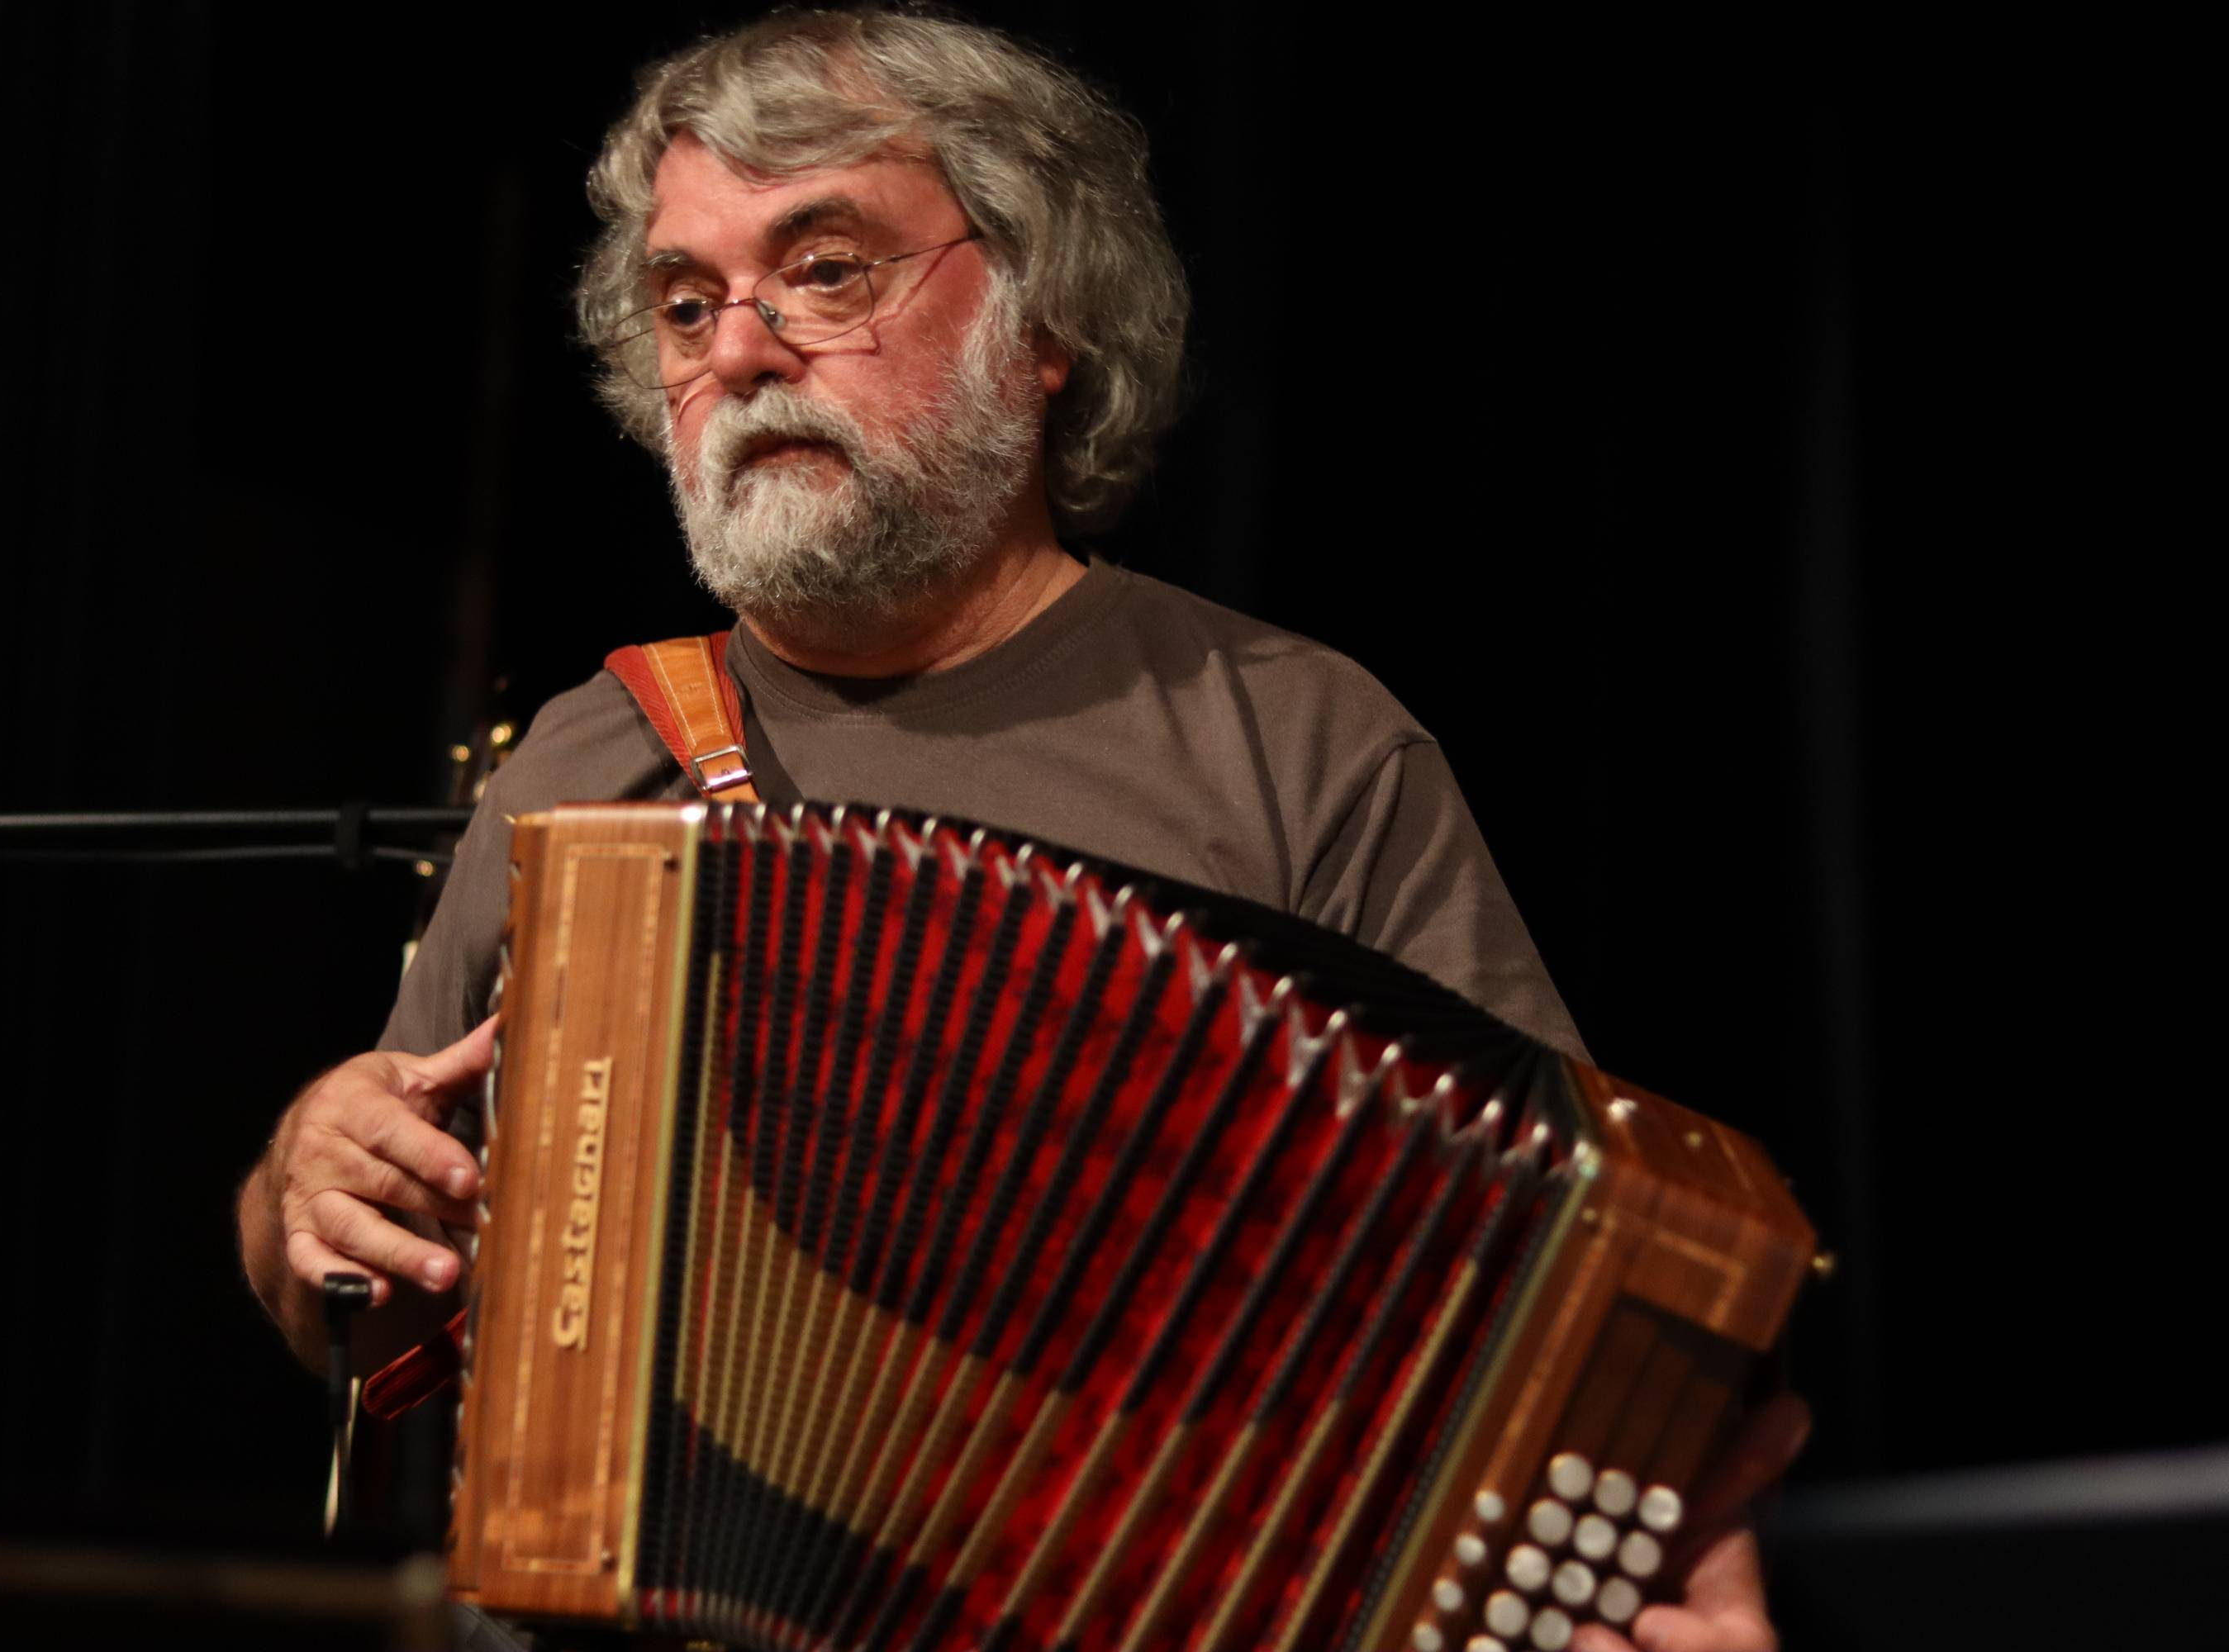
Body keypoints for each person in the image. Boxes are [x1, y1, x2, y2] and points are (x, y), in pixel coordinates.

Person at [235, 12, 1791, 1650]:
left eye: (825, 272)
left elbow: (1569, 1276)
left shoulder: (1293, 739)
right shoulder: (584, 759)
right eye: (687, 303)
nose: (739, 353)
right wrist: (302, 1183)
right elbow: (365, 1297)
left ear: (1043, 320)